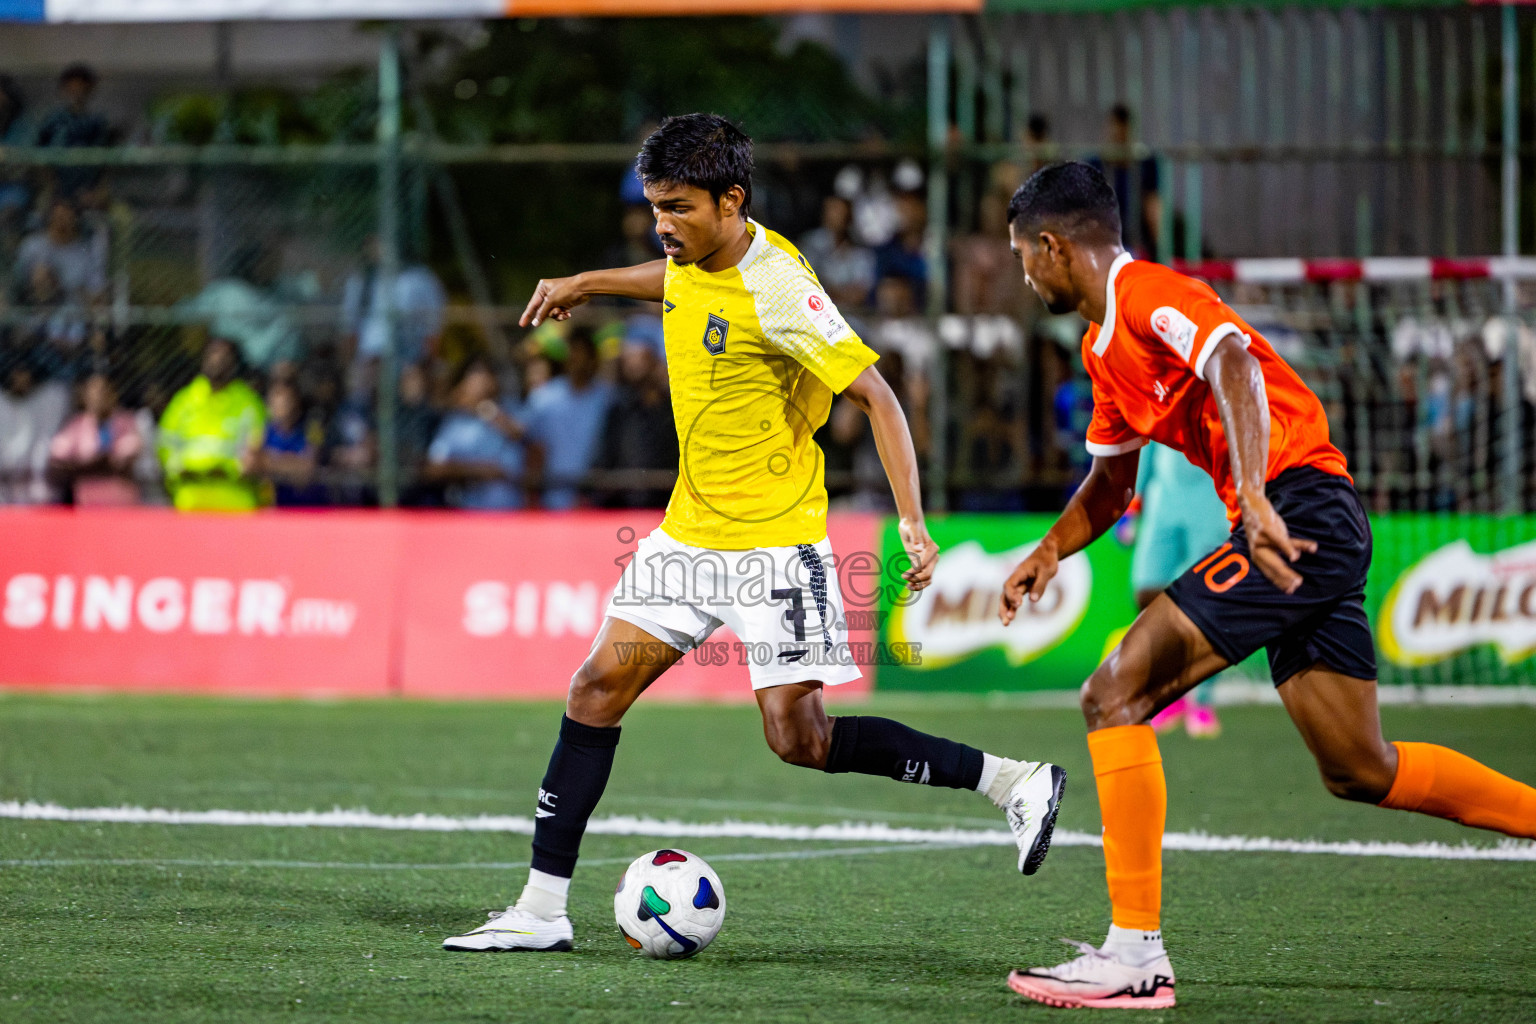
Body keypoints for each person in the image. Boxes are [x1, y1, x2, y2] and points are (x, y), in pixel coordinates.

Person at [441, 114, 1067, 955]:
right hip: (688, 538)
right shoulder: (688, 260)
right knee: (593, 689)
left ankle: (1012, 781)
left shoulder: (781, 290)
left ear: (731, 201)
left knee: (798, 740)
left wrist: (912, 525)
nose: (662, 225)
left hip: (776, 546)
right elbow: (668, 284)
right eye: (655, 205)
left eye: (678, 208)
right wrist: (587, 281)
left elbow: (878, 397)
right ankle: (543, 908)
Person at [996, 162, 1536, 1009]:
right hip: (1310, 521)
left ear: (1055, 247)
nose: (1024, 276)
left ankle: (1135, 953)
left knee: (1114, 692)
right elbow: (1110, 487)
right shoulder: (1107, 356)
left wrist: (1249, 493)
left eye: (1024, 257)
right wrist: (1050, 548)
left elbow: (1235, 361)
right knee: (1361, 767)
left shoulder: (1146, 294)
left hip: (1297, 511)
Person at [1127, 442, 1231, 738]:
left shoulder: (1223, 398)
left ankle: (1202, 699)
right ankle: (1167, 690)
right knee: (1146, 591)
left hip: (1211, 502)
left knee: (1207, 603)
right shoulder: (1157, 397)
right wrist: (1131, 504)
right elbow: (1144, 446)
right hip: (1164, 500)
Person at [157, 337, 266, 512]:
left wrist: (232, 467)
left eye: (224, 356)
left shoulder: (249, 402)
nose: (217, 360)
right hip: (190, 495)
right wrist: (178, 467)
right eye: (213, 354)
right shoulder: (184, 401)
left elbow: (255, 448)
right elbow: (165, 444)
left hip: (234, 496)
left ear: (234, 363)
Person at [521, 328, 614, 510]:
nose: (578, 360)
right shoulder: (543, 399)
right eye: (574, 352)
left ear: (594, 359)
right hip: (551, 501)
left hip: (595, 503)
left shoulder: (608, 399)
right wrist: (532, 500)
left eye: (583, 353)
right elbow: (533, 450)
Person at [423, 358, 527, 511]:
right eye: (475, 375)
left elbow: (520, 433)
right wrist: (479, 471)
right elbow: (434, 469)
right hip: (471, 514)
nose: (482, 380)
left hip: (512, 512)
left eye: (487, 374)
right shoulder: (454, 424)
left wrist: (486, 409)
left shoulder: (512, 409)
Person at [47, 371, 143, 506]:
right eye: (94, 393)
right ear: (85, 396)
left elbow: (121, 464)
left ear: (113, 394)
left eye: (103, 392)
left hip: (122, 504)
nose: (98, 398)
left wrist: (81, 466)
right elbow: (57, 464)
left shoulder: (127, 422)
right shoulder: (76, 426)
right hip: (86, 504)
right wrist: (99, 463)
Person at [1089, 105, 1162, 260]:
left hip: (1135, 242)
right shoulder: (1095, 165)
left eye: (1121, 129)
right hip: (1103, 243)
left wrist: (1160, 248)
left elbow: (1152, 208)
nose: (1117, 134)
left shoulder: (1144, 163)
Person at [797, 195, 875, 312]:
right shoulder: (810, 243)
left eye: (842, 212)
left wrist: (829, 290)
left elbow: (859, 294)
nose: (838, 216)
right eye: (833, 211)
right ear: (824, 215)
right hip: (815, 312)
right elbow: (806, 284)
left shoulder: (861, 251)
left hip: (852, 314)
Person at [258, 378, 323, 507]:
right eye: (275, 399)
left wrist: (272, 462)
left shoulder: (313, 428)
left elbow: (309, 467)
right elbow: (256, 464)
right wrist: (293, 464)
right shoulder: (262, 430)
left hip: (306, 504)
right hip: (272, 504)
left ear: (296, 401)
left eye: (286, 400)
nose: (281, 405)